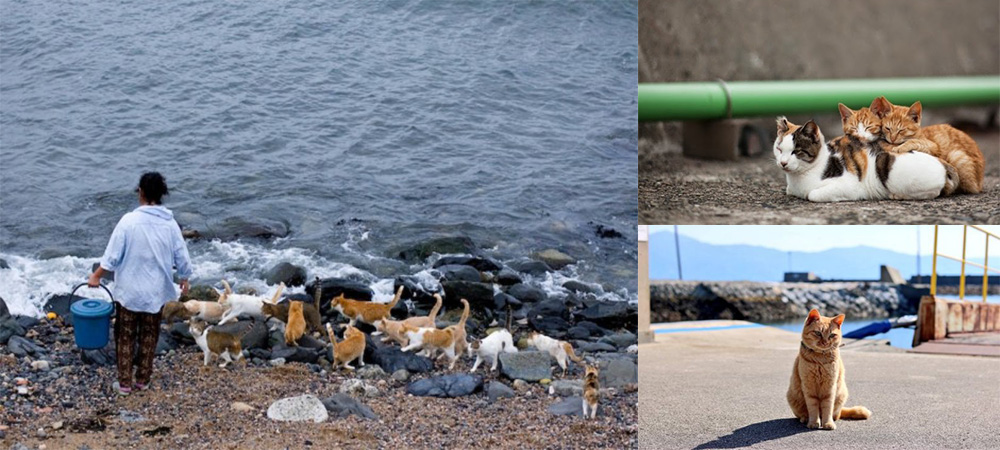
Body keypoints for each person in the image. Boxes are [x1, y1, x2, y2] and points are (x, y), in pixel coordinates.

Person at [88, 172, 192, 396]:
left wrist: (96, 275)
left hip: (129, 291)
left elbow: (112, 256)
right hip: (156, 292)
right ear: (161, 195)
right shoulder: (170, 224)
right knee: (149, 334)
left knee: (125, 336)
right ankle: (143, 379)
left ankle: (125, 383)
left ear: (141, 193)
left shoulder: (129, 221)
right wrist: (184, 277)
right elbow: (181, 255)